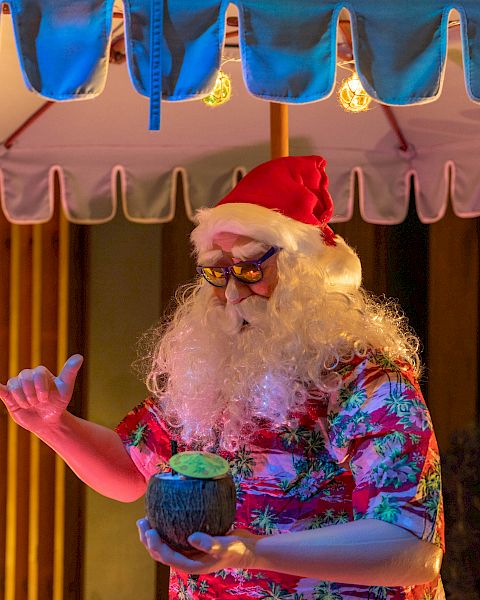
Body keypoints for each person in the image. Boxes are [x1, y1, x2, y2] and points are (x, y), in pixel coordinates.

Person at [0, 156, 444, 599]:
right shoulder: (211, 373)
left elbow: (412, 549)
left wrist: (254, 552)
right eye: (218, 272)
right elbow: (130, 473)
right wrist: (54, 425)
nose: (232, 294)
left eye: (252, 270)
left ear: (306, 275)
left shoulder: (368, 382)